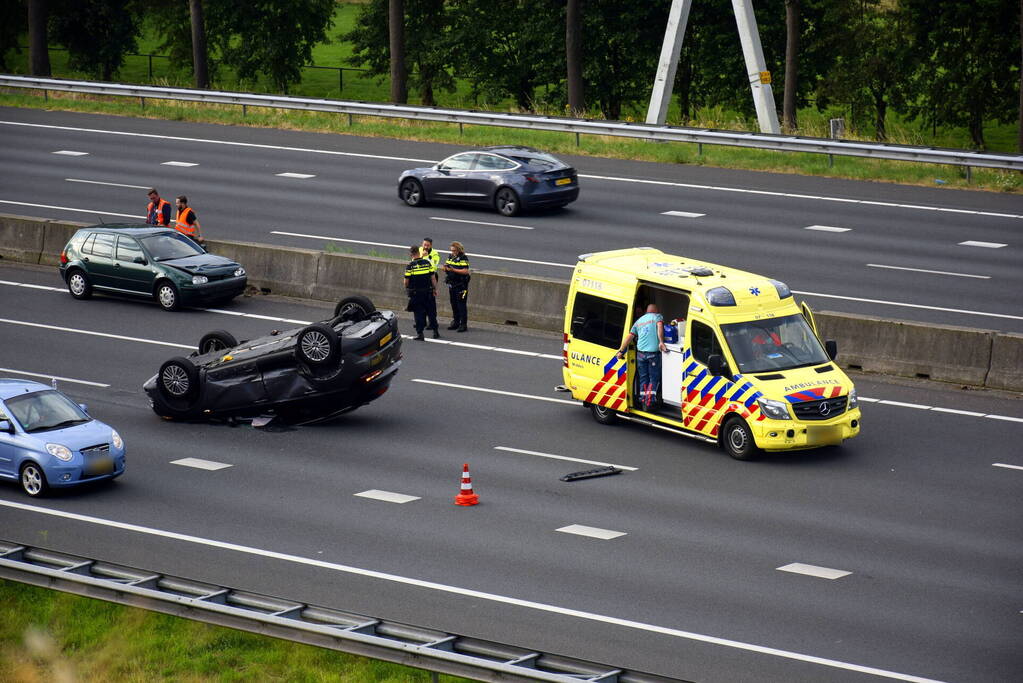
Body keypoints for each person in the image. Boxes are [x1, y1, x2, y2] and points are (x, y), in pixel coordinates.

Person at [616, 304, 666, 411]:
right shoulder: (657, 317)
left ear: (647, 312)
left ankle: (644, 401)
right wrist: (661, 342)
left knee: (643, 378)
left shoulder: (639, 321)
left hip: (640, 355)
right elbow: (660, 327)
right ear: (655, 311)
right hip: (653, 354)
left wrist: (621, 351)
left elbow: (629, 336)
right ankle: (649, 403)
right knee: (654, 378)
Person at [404, 245, 440, 340]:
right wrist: (435, 289)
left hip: (417, 294)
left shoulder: (410, 266)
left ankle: (420, 334)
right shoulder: (427, 263)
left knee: (418, 313)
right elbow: (433, 278)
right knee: (431, 312)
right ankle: (435, 331)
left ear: (411, 254)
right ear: (419, 253)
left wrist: (407, 288)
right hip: (428, 292)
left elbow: (406, 281)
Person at [443, 241, 471, 332]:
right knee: (454, 304)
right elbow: (447, 267)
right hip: (452, 284)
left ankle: (463, 324)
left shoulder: (463, 258)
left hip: (461, 286)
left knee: (461, 305)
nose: (452, 252)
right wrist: (446, 269)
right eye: (451, 250)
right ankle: (456, 322)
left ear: (458, 250)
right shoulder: (450, 257)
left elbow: (465, 271)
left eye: (454, 250)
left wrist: (453, 269)